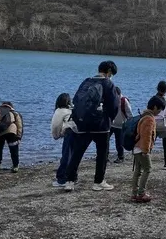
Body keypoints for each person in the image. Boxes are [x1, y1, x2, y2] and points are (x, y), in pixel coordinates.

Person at [64, 61, 120, 192]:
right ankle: (98, 182)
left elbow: (76, 100)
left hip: (83, 123)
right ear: (109, 72)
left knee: (78, 152)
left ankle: (70, 181)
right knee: (102, 154)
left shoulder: (86, 81)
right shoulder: (108, 83)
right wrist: (109, 118)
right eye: (112, 74)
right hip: (101, 125)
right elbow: (114, 105)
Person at [131, 95, 165, 203]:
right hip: (142, 149)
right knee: (148, 169)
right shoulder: (149, 119)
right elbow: (147, 136)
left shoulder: (143, 116)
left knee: (138, 170)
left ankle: (135, 193)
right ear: (155, 107)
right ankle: (141, 193)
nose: (159, 112)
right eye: (159, 109)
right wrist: (146, 151)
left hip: (136, 147)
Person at [50, 93, 77, 187]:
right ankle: (73, 177)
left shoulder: (59, 111)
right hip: (79, 133)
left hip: (69, 133)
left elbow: (55, 125)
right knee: (74, 156)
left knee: (66, 156)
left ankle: (62, 179)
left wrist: (57, 136)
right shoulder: (72, 109)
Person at [0, 102, 23, 172]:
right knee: (13, 149)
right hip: (11, 131)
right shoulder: (14, 112)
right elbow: (19, 125)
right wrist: (19, 137)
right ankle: (15, 166)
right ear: (11, 106)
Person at [109, 87, 133, 164]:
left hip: (121, 125)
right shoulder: (111, 99)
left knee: (119, 142)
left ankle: (121, 157)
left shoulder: (124, 101)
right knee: (105, 140)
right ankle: (104, 156)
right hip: (111, 124)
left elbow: (129, 114)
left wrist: (129, 125)